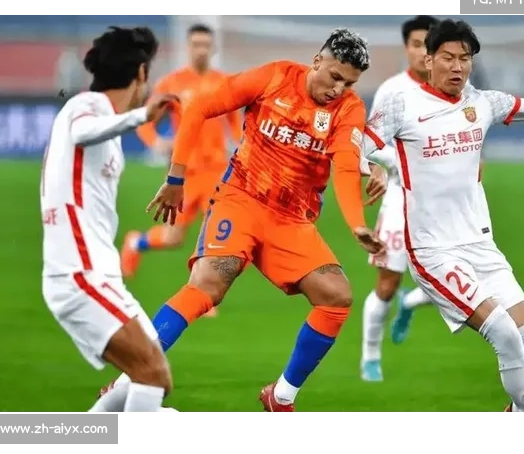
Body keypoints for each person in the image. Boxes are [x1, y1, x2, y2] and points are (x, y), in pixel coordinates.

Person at [142, 28, 384, 413]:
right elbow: (200, 107)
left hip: (291, 220)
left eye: (349, 83)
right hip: (241, 199)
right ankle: (131, 379)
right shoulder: (275, 77)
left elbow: (345, 166)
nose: (339, 89)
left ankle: (281, 396)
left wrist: (357, 224)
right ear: (317, 61)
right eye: (335, 77)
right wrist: (175, 179)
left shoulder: (349, 109)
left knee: (336, 297)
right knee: (209, 283)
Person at [362, 18, 524, 413]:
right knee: (505, 335)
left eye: (465, 58)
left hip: (481, 246)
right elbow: (358, 144)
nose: (457, 66)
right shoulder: (402, 105)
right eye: (448, 57)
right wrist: (372, 166)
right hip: (434, 252)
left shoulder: (483, 103)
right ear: (429, 59)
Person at [40, 26, 179, 414]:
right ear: (141, 73)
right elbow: (83, 131)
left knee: (145, 367)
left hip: (96, 273)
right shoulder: (87, 106)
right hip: (79, 274)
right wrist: (141, 116)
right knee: (154, 375)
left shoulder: (98, 117)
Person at [121, 25, 243, 320]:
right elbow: (146, 121)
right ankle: (136, 242)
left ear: (213, 48)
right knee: (174, 237)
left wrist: (242, 147)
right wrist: (156, 141)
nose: (201, 50)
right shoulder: (171, 84)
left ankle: (205, 295)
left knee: (216, 234)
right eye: (196, 44)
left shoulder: (224, 82)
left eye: (205, 45)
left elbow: (235, 123)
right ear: (187, 48)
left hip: (217, 172)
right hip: (184, 174)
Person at [361, 15, 438, 382]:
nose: (423, 52)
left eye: (429, 45)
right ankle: (370, 358)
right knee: (387, 284)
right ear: (407, 47)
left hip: (442, 202)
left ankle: (411, 301)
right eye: (416, 44)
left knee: (454, 281)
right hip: (399, 198)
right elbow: (370, 143)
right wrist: (389, 165)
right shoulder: (392, 91)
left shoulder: (455, 88)